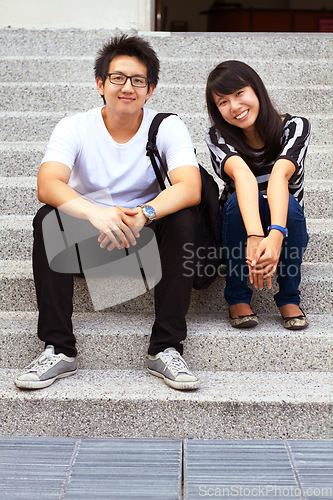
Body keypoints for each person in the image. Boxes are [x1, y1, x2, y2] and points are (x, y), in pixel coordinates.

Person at [15, 34, 202, 391]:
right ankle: (58, 348)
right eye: (117, 78)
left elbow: (189, 187)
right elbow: (48, 183)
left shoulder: (167, 126)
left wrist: (145, 213)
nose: (127, 87)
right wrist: (96, 213)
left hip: (145, 245)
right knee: (47, 218)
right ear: (100, 83)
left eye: (137, 80)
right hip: (92, 242)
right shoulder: (75, 126)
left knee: (182, 218)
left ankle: (166, 347)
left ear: (150, 89)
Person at [205, 60, 310, 330]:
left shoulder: (295, 127)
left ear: (257, 90)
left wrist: (275, 234)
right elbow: (244, 177)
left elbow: (279, 176)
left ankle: (289, 296)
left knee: (291, 206)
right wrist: (254, 236)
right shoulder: (218, 136)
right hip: (240, 218)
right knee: (235, 204)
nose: (235, 107)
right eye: (223, 102)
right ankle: (238, 295)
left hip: (285, 217)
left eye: (240, 94)